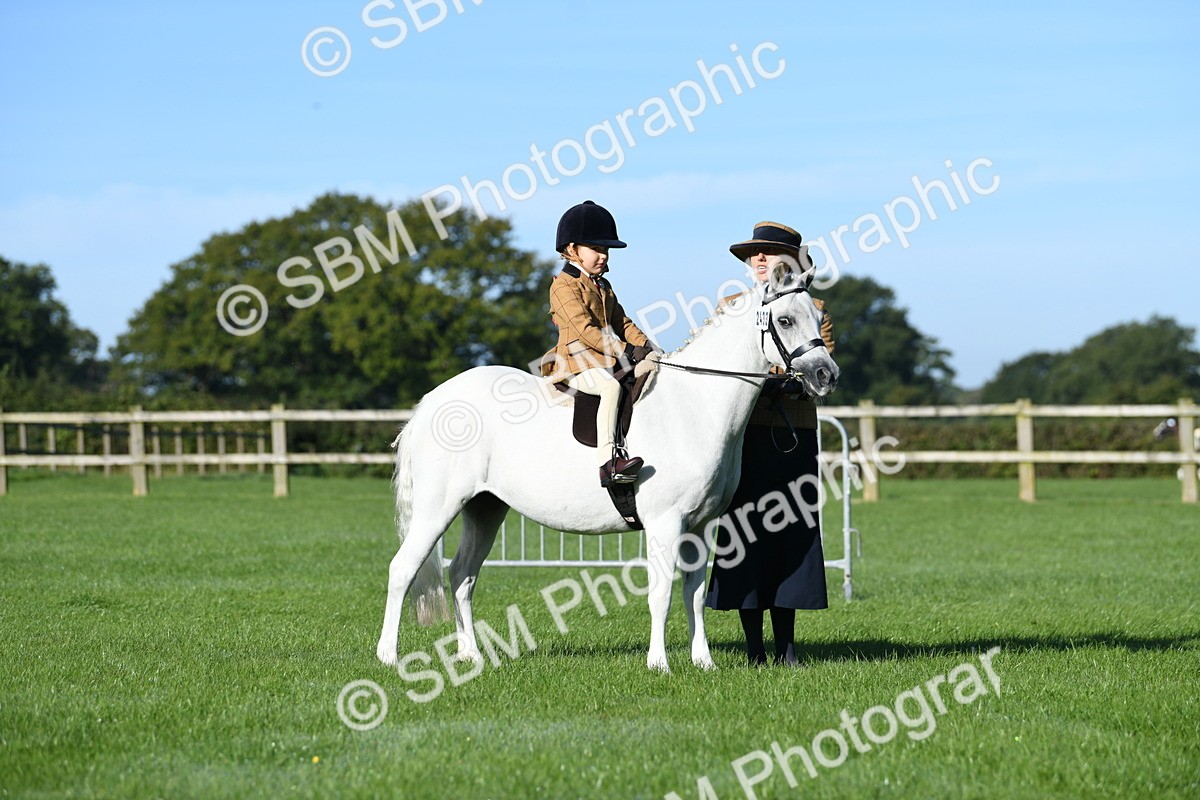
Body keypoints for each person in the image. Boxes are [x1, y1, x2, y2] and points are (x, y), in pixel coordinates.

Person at [705, 221, 836, 666]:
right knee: (745, 536)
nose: (759, 260)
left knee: (792, 537)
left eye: (769, 253)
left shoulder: (813, 308)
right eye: (753, 254)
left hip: (794, 436)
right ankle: (753, 650)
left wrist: (788, 383)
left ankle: (788, 648)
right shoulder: (730, 308)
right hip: (743, 437)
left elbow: (821, 369)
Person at [545, 201, 658, 487]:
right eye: (596, 249)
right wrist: (627, 351)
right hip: (575, 362)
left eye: (605, 250)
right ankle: (609, 463)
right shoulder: (563, 285)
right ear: (572, 250)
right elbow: (586, 332)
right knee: (611, 387)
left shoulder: (603, 285)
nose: (603, 256)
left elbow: (622, 322)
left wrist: (648, 346)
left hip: (603, 358)